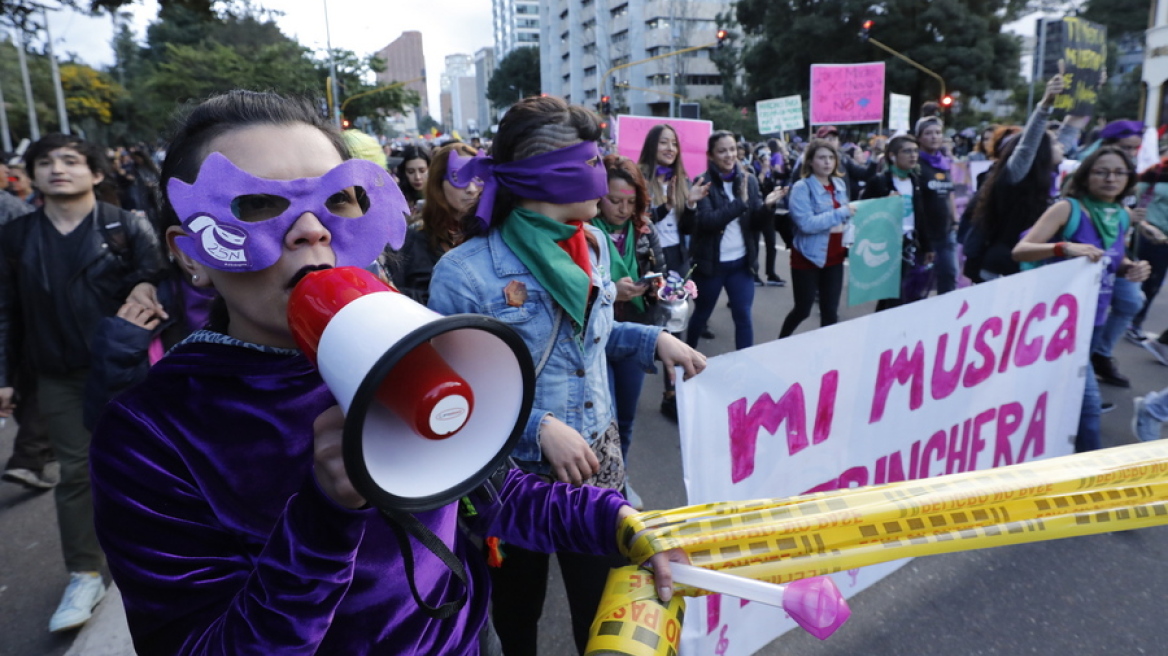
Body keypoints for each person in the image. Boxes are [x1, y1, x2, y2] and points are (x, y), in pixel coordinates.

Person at [89, 90, 684, 656]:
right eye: (259, 204)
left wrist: (614, 520)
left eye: (337, 200)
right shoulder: (152, 434)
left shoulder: (405, 343)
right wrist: (325, 519)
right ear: (189, 252)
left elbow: (489, 491)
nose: (312, 229)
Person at [428, 95, 705, 656]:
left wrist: (652, 339)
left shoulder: (593, 243)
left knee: (600, 611)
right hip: (513, 480)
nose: (604, 174)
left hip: (597, 469)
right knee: (517, 615)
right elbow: (452, 396)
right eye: (590, 161)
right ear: (546, 176)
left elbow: (593, 336)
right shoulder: (463, 274)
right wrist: (538, 427)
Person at [0, 133, 166, 632]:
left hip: (126, 369)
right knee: (75, 473)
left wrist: (148, 283)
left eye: (71, 161)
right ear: (31, 175)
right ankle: (84, 573)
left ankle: (156, 555)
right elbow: (6, 310)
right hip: (57, 373)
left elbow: (161, 275)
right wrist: (5, 377)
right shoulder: (16, 236)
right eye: (45, 162)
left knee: (144, 465)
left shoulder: (126, 226)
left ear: (95, 173)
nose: (58, 169)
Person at [1012, 145, 1150, 452]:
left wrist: (1131, 268)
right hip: (1058, 322)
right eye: (1102, 172)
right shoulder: (1068, 209)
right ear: (1086, 176)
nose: (1111, 179)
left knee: (1058, 400)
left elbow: (1114, 258)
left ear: (1128, 179)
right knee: (1088, 407)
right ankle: (1092, 474)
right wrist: (1063, 247)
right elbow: (1020, 251)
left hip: (1095, 319)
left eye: (1119, 173)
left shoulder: (1121, 216)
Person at [593, 154, 666, 509]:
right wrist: (611, 291)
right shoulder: (582, 232)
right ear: (598, 196)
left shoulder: (645, 230)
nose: (623, 209)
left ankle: (621, 476)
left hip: (636, 329)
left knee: (625, 417)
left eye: (630, 202)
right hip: (597, 336)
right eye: (614, 200)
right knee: (601, 418)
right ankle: (599, 487)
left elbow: (662, 269)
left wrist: (659, 287)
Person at [683, 130, 784, 350]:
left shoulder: (749, 180)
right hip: (710, 266)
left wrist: (767, 207)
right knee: (701, 315)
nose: (729, 155)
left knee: (743, 316)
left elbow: (755, 223)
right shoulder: (702, 182)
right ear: (710, 155)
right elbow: (707, 222)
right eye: (722, 151)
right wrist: (739, 203)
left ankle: (744, 365)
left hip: (741, 264)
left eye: (732, 149)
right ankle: (684, 362)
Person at [965, 73, 1066, 282]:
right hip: (1000, 269)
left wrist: (1089, 87)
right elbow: (1028, 145)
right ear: (1041, 152)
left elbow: (1072, 131)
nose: (1063, 145)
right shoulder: (1016, 175)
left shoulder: (1049, 178)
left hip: (1026, 267)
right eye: (1056, 142)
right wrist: (1045, 104)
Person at [636, 123, 706, 420]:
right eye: (664, 142)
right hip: (647, 259)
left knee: (676, 325)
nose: (670, 148)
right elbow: (641, 221)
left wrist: (689, 204)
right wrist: (665, 204)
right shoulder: (638, 177)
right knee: (648, 322)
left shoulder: (682, 179)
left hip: (677, 258)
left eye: (674, 143)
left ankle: (672, 393)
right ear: (652, 145)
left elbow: (687, 228)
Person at [385, 142, 480, 304]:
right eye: (458, 177)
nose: (472, 188)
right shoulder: (413, 240)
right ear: (438, 184)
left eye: (478, 177)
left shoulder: (496, 235)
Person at [780, 139, 855, 338]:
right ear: (810, 162)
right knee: (802, 309)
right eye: (821, 158)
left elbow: (847, 216)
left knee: (830, 312)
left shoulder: (839, 184)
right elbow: (806, 224)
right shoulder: (802, 187)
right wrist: (841, 213)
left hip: (835, 257)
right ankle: (781, 342)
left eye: (831, 157)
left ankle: (826, 351)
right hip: (808, 257)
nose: (827, 162)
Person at [860, 134, 932, 310]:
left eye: (915, 151)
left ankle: (879, 325)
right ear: (892, 156)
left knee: (893, 297)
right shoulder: (879, 181)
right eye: (907, 151)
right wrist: (885, 203)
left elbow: (920, 215)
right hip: (886, 246)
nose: (913, 155)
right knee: (894, 296)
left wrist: (927, 246)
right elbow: (862, 212)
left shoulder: (915, 180)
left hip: (909, 244)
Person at [396, 145, 430, 224]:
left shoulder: (440, 196)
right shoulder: (396, 198)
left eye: (422, 171)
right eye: (411, 172)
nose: (417, 177)